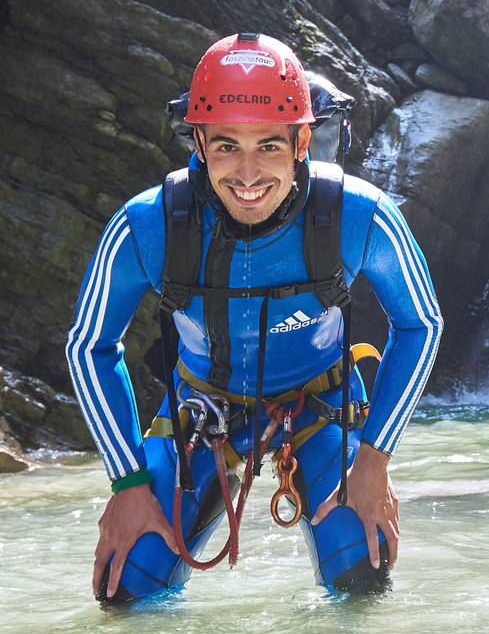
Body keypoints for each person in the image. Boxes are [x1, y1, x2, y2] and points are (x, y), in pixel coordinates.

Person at [66, 32, 443, 603]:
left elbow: (422, 326)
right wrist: (127, 484)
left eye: (268, 146)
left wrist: (373, 461)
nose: (247, 174)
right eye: (225, 147)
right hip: (201, 410)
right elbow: (88, 346)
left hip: (323, 407)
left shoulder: (358, 214)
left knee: (364, 570)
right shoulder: (147, 225)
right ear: (197, 141)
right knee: (124, 584)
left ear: (302, 140)